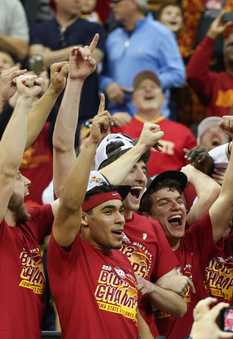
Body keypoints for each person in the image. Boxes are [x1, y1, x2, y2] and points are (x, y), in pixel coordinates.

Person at [139, 115, 233, 339]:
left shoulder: (193, 241)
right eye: (164, 202)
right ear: (147, 215)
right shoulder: (139, 251)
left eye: (179, 200)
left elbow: (230, 196)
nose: (176, 207)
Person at [47, 109, 151, 338]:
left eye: (120, 211)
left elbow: (136, 320)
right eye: (108, 212)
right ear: (84, 218)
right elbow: (70, 203)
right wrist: (91, 145)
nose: (120, 219)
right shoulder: (69, 250)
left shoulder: (123, 260)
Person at [94, 129, 192, 336]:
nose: (141, 178)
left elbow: (179, 307)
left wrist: (148, 286)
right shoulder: (89, 222)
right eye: (131, 169)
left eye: (144, 169)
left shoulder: (151, 227)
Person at [0, 70, 65, 338]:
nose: (28, 180)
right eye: (20, 174)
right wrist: (23, 101)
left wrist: (56, 90)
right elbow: (5, 169)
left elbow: (75, 200)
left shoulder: (30, 224)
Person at [101, 0, 185, 117]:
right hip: (117, 118)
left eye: (116, 1)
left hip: (152, 120)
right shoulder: (112, 37)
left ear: (134, 3)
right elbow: (103, 74)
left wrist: (145, 85)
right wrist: (108, 85)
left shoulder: (161, 33)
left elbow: (178, 74)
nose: (112, 5)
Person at [29, 0, 105, 122]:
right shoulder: (40, 28)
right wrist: (73, 50)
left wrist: (48, 56)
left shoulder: (94, 29)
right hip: (46, 111)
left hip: (84, 111)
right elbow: (35, 62)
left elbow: (93, 59)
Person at [112, 70, 197, 176]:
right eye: (142, 87)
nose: (148, 90)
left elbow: (194, 173)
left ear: (163, 97)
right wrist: (107, 122)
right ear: (133, 99)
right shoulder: (118, 127)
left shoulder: (183, 132)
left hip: (170, 190)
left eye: (154, 86)